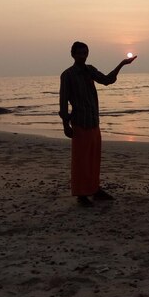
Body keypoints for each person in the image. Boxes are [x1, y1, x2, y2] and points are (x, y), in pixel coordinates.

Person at [59, 41, 137, 207]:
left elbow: (107, 80)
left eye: (85, 53)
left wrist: (122, 64)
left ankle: (94, 189)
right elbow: (63, 101)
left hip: (93, 121)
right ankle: (81, 194)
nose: (82, 56)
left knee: (94, 159)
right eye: (79, 53)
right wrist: (66, 125)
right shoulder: (68, 75)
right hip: (80, 123)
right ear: (73, 55)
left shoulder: (90, 70)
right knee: (81, 160)